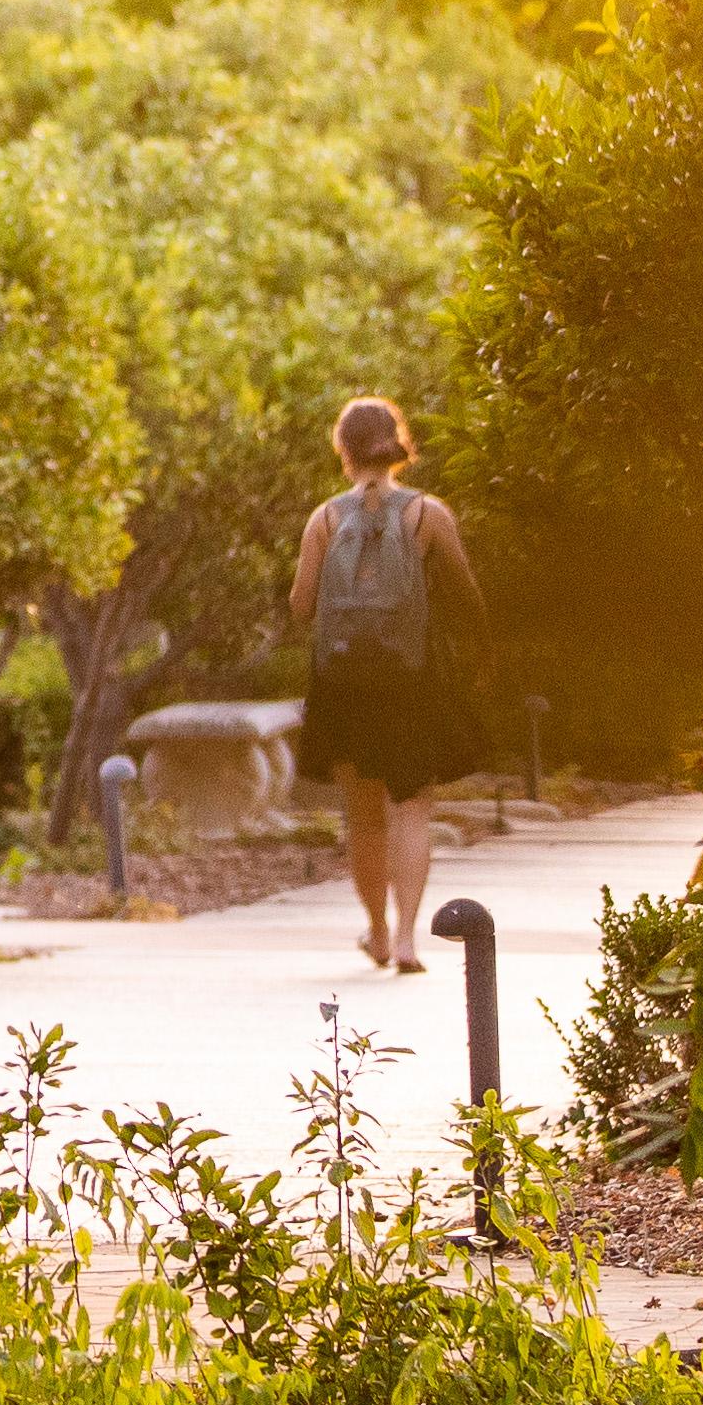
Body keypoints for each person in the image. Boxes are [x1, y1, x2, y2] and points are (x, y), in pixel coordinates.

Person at [291, 396, 492, 978]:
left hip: (343, 681)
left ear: (344, 451)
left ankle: (376, 932)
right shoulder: (429, 514)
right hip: (410, 677)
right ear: (397, 443)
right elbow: (465, 593)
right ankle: (407, 938)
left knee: (363, 814)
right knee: (410, 810)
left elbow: (301, 608)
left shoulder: (325, 519)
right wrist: (482, 654)